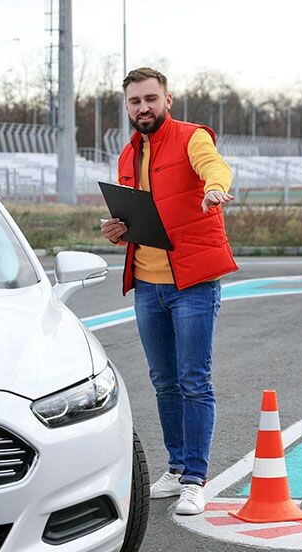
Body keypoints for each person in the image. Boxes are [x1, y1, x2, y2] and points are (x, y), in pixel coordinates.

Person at [100, 67, 239, 515]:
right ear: (127, 106)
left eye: (150, 99)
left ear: (167, 100)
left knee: (193, 381)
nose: (143, 108)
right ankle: (176, 467)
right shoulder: (127, 155)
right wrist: (118, 231)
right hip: (147, 285)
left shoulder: (192, 137)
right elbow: (138, 217)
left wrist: (214, 189)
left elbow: (214, 166)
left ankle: (196, 479)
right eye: (135, 101)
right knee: (163, 382)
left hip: (192, 284)